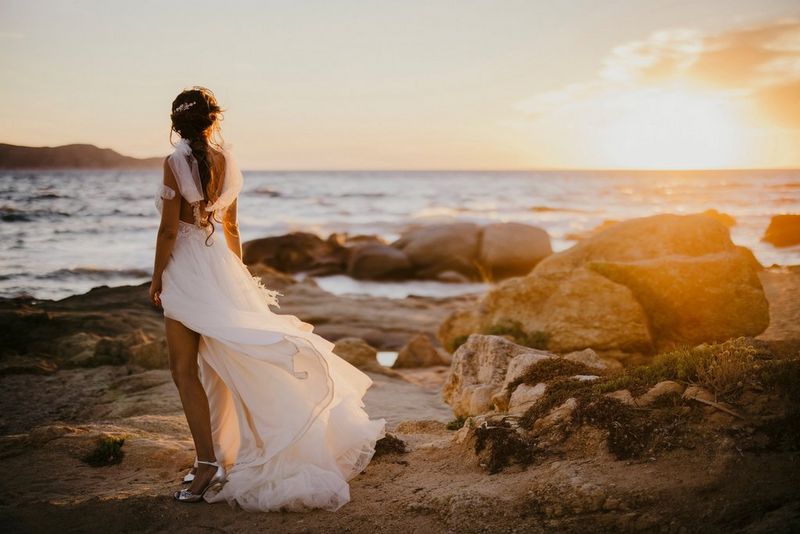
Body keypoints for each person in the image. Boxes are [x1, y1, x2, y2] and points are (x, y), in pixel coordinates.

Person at [150, 86, 386, 512]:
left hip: (186, 270)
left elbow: (169, 231)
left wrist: (155, 279)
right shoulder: (226, 162)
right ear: (213, 120)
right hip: (220, 265)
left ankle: (207, 464)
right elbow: (232, 229)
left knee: (185, 370)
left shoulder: (174, 163)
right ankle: (222, 456)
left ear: (175, 124)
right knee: (222, 366)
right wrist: (237, 276)